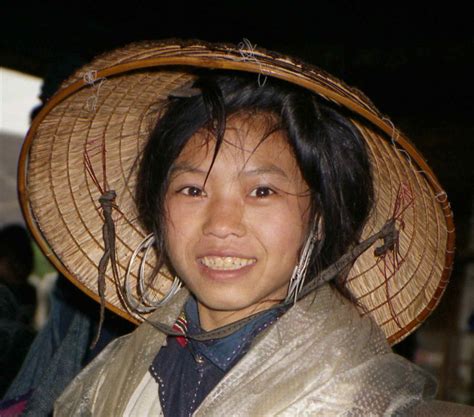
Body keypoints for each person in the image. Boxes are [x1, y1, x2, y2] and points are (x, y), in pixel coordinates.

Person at [17, 41, 472, 416]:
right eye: (192, 190)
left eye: (262, 192)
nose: (221, 225)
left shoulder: (364, 399)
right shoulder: (114, 372)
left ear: (319, 218)